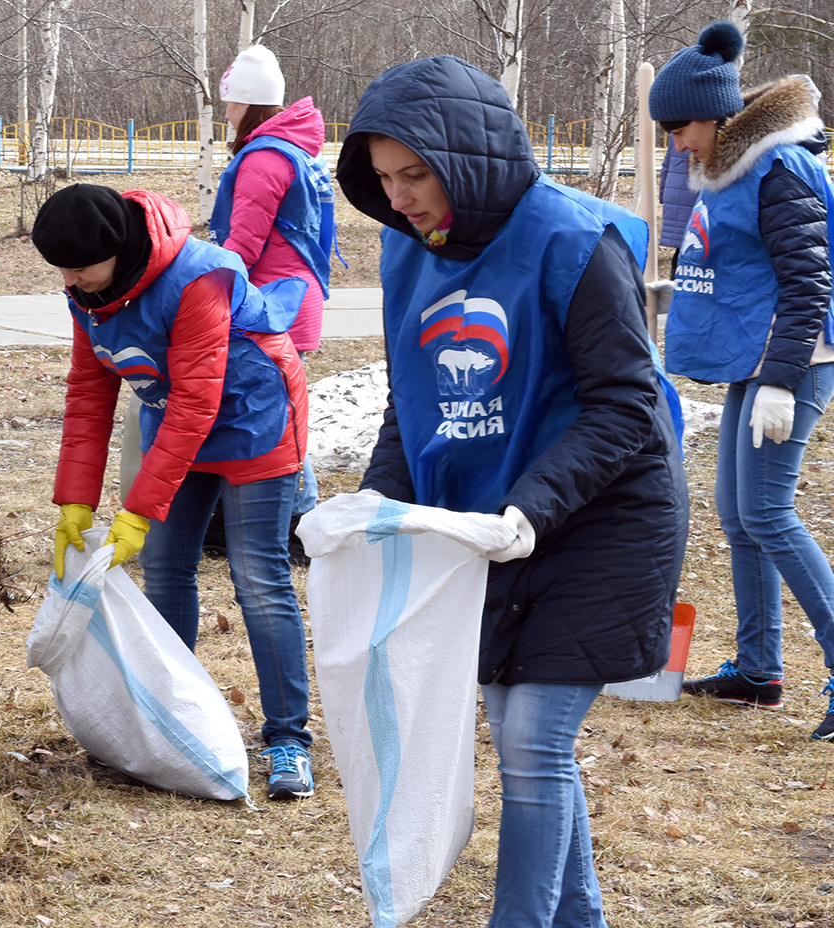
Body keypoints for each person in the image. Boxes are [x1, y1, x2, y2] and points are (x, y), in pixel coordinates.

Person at [334, 56, 688, 926]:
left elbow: (627, 404)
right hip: (484, 528)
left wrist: (530, 508)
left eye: (415, 175)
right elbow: (411, 403)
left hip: (602, 515)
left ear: (470, 159)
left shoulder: (572, 241)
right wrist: (379, 510)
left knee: (534, 742)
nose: (400, 196)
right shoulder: (406, 255)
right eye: (383, 179)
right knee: (523, 740)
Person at [32, 183, 316, 801]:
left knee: (259, 580)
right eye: (61, 269)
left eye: (78, 267)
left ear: (117, 248)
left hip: (255, 420)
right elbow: (88, 393)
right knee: (165, 569)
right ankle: (171, 718)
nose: (70, 280)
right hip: (179, 425)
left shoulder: (199, 277)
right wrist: (75, 499)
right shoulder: (89, 293)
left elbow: (198, 398)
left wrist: (138, 507)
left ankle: (288, 739)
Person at [649, 22, 834, 741]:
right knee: (737, 513)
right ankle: (758, 671)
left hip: (792, 364)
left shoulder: (780, 168)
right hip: (751, 361)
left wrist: (784, 381)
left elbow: (809, 282)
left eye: (681, 127)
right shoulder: (728, 166)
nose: (675, 143)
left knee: (767, 513)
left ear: (720, 115)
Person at [201, 44, 336, 559]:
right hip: (290, 296)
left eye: (230, 103)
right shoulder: (295, 150)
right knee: (275, 410)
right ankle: (264, 515)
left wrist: (202, 284)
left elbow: (244, 244)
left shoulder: (263, 158)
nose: (227, 113)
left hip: (271, 303)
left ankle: (299, 522)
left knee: (277, 417)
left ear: (247, 102)